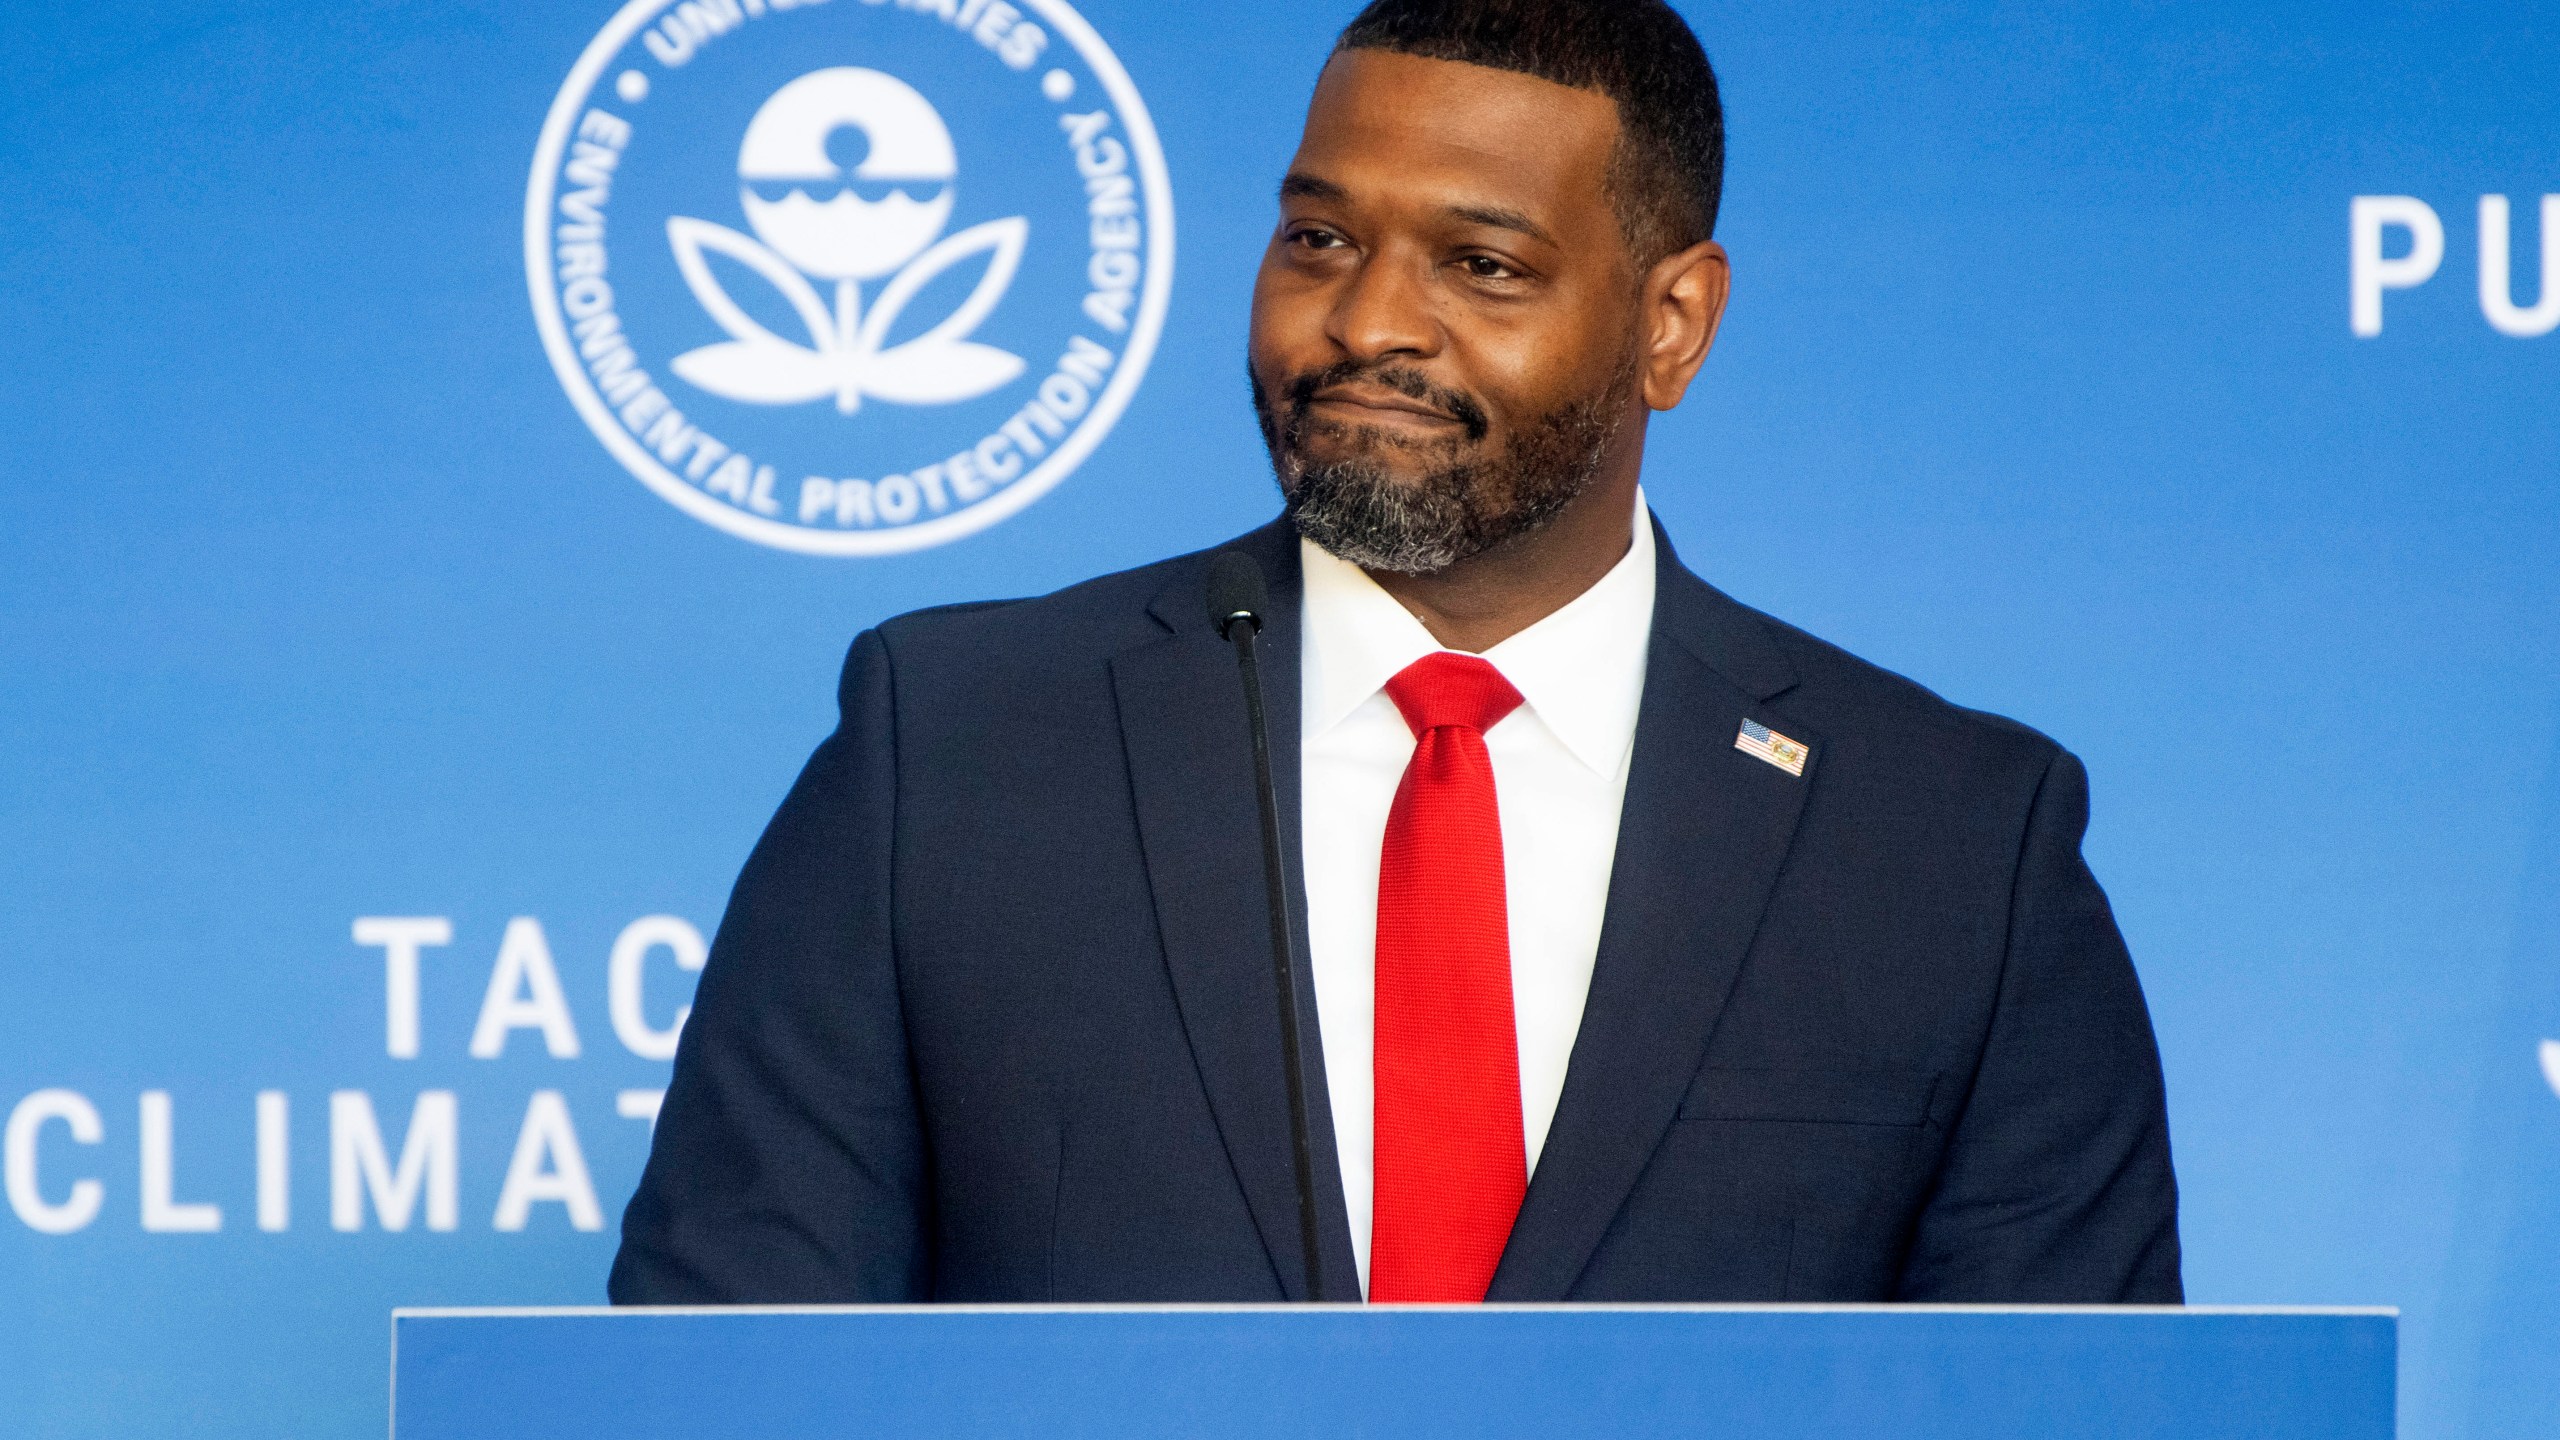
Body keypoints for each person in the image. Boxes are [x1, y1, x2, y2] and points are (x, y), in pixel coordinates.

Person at [610, 0, 2181, 1306]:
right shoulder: (950, 746)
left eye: (1482, 265)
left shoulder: (1954, 840)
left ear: (1672, 323)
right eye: (1317, 238)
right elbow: (719, 1375)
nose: (1367, 323)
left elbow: (2075, 1411)